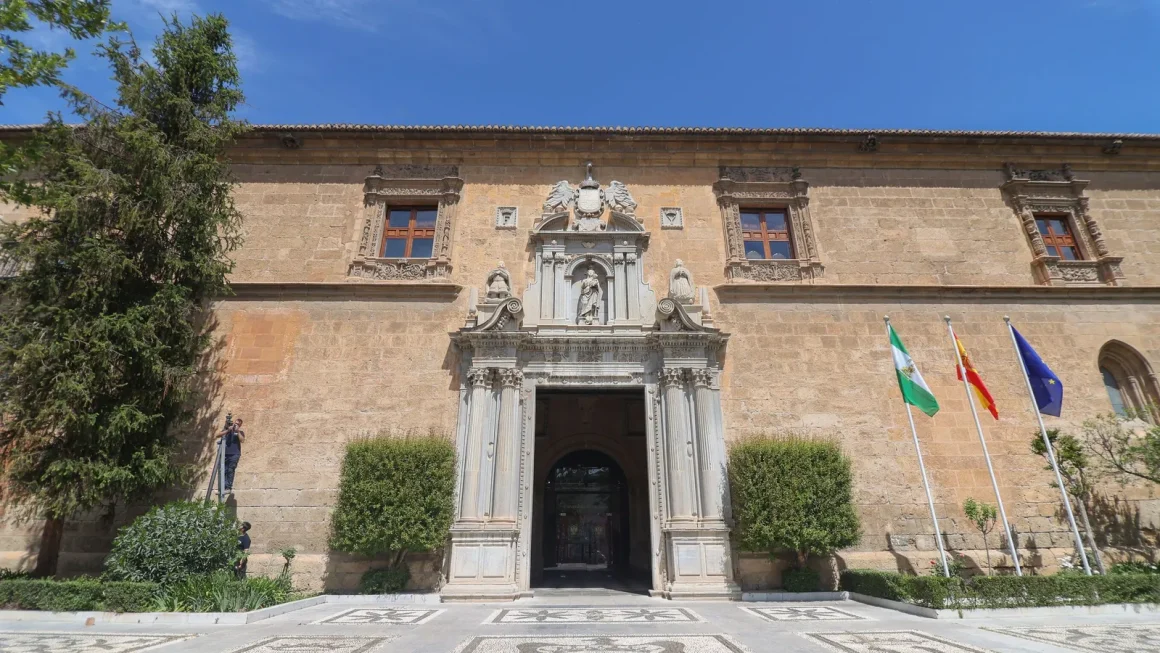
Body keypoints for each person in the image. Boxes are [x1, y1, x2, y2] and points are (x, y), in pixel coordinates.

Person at [216, 417, 245, 493]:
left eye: (238, 424)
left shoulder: (240, 432)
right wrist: (228, 430)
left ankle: (228, 487)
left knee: (230, 470)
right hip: (225, 454)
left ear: (240, 425)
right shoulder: (227, 431)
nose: (236, 425)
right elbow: (218, 435)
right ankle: (223, 488)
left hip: (235, 454)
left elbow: (242, 440)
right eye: (235, 423)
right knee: (223, 470)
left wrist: (237, 431)